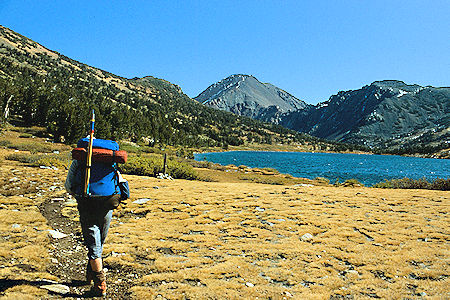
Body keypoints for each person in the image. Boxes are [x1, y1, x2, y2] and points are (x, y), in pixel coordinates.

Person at [65, 158, 123, 296]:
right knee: (99, 242)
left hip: (87, 204)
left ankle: (100, 285)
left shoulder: (79, 160)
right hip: (107, 202)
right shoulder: (110, 160)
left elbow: (69, 185)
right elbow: (120, 181)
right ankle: (90, 274)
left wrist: (80, 197)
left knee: (93, 245)